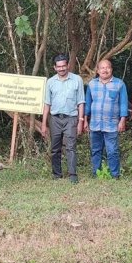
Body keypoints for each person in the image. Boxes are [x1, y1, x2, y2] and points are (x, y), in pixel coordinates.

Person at [41, 54, 85, 183]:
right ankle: (57, 173)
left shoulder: (77, 80)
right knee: (55, 148)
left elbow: (81, 102)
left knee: (71, 147)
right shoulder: (50, 82)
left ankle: (72, 174)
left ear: (68, 66)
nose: (61, 69)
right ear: (55, 67)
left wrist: (81, 121)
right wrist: (44, 124)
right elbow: (47, 104)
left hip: (71, 118)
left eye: (63, 66)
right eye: (58, 67)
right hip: (55, 119)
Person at [85, 59, 128, 179]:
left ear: (111, 69)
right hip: (95, 123)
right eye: (102, 68)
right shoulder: (92, 84)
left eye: (107, 67)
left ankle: (115, 175)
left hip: (112, 124)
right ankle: (96, 173)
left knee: (112, 151)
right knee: (95, 150)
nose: (105, 70)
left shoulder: (119, 84)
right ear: (97, 70)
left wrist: (122, 120)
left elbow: (123, 104)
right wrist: (84, 119)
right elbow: (88, 103)